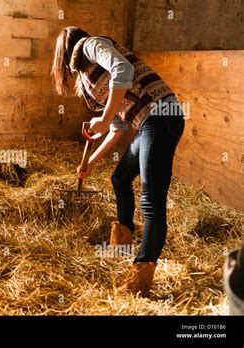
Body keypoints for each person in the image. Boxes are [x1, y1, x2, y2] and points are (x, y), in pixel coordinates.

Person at [51, 26, 185, 297]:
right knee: (120, 178)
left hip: (161, 116)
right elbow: (117, 129)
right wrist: (90, 162)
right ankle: (120, 246)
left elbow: (122, 70)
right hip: (147, 123)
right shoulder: (89, 80)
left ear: (63, 51)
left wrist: (104, 117)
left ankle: (139, 281)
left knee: (152, 201)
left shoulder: (90, 46)